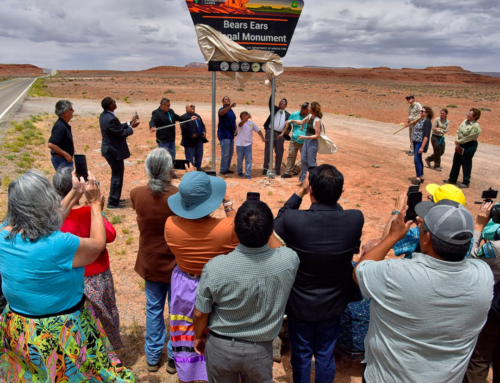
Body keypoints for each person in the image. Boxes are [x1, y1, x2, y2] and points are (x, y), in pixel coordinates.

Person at [0, 170, 135, 382]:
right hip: (60, 330)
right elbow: (98, 245)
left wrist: (74, 192)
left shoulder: (3, 234)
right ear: (45, 201)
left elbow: (47, 221)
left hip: (17, 326)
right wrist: (95, 205)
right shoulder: (58, 244)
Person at [354, 196, 494, 383]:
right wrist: (477, 227)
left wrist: (393, 236)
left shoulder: (397, 274)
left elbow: (359, 272)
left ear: (426, 239)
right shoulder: (483, 276)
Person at [274, 164, 364, 383]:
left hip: (299, 304)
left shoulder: (293, 220)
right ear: (341, 193)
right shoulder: (355, 219)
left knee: (302, 354)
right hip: (334, 303)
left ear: (311, 190)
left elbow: (278, 221)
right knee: (325, 354)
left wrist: (300, 191)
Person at [193, 200, 300, 383]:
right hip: (260, 350)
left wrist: (197, 336)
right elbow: (279, 248)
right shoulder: (288, 261)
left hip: (221, 346)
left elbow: (199, 313)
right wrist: (264, 229)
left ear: (235, 231)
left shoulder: (215, 268)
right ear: (270, 231)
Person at [165, 169, 239, 383]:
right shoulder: (226, 229)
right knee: (216, 331)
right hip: (217, 287)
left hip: (184, 287)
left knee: (186, 333)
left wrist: (191, 192)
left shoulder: (170, 225)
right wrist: (227, 202)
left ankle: (187, 375)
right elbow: (238, 224)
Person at [53, 166, 123, 351]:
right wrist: (98, 210)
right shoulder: (88, 212)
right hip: (97, 275)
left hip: (69, 276)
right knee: (105, 314)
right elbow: (110, 235)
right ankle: (109, 351)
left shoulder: (53, 219)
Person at [130, 148, 179, 374]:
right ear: (170, 169)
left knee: (153, 309)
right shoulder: (178, 196)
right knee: (177, 310)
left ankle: (152, 357)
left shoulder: (136, 193)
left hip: (150, 262)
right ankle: (174, 357)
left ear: (148, 169)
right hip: (176, 264)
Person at [463, 202, 500, 383]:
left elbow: (471, 259)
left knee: (481, 355)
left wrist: (478, 227)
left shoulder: (495, 248)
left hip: (496, 310)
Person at [386, 183, 467, 259]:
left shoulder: (419, 234)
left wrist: (396, 211)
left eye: (431, 200)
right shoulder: (466, 238)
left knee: (375, 243)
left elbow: (386, 240)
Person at [100, 97, 139, 209]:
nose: (115, 103)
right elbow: (121, 133)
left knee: (116, 174)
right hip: (113, 151)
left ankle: (115, 198)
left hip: (109, 149)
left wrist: (129, 123)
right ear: (110, 106)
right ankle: (112, 202)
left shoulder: (105, 115)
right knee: (117, 175)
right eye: (113, 102)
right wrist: (132, 127)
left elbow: (116, 128)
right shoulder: (110, 118)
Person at [444, 108, 482, 189]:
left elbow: (470, 137)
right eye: (468, 112)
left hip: (469, 146)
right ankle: (452, 179)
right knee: (456, 162)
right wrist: (457, 140)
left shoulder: (476, 126)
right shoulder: (464, 121)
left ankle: (466, 182)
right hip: (460, 144)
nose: (468, 114)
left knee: (466, 164)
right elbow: (458, 130)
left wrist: (459, 142)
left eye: (470, 114)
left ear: (475, 117)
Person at [288, 102, 323, 182]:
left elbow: (317, 135)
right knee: (303, 160)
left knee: (311, 162)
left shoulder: (317, 120)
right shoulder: (309, 116)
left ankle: (314, 180)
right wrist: (291, 120)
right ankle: (304, 180)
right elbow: (301, 122)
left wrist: (305, 137)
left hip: (313, 141)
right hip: (307, 141)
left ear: (313, 109)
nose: (308, 108)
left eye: (310, 107)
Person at [262, 95, 290, 176]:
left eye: (283, 102)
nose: (281, 103)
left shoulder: (288, 115)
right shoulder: (274, 109)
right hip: (270, 132)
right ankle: (265, 168)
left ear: (286, 105)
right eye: (280, 101)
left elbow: (289, 126)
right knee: (268, 151)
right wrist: (273, 94)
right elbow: (270, 102)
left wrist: (287, 132)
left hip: (280, 135)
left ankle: (277, 169)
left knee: (279, 152)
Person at [281, 102, 309, 178]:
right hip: (294, 140)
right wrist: (284, 132)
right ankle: (288, 172)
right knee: (291, 156)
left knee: (304, 158)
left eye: (304, 109)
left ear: (308, 110)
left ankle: (305, 174)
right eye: (301, 108)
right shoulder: (294, 114)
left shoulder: (310, 117)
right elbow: (288, 124)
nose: (302, 110)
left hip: (304, 142)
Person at [235, 111, 266, 179]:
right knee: (240, 159)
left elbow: (258, 130)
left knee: (248, 160)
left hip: (248, 144)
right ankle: (239, 171)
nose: (245, 115)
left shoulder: (251, 123)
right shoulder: (239, 122)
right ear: (241, 117)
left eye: (246, 114)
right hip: (240, 144)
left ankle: (248, 173)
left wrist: (262, 138)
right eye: (243, 115)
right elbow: (241, 124)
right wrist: (246, 118)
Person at [48, 100, 75, 170]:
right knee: (66, 180)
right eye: (71, 109)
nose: (73, 111)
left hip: (63, 160)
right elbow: (51, 144)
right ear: (65, 113)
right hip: (62, 161)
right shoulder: (60, 127)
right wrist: (66, 154)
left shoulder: (63, 124)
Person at [411, 105, 433, 185]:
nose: (420, 112)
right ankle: (421, 176)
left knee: (416, 160)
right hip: (416, 141)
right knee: (419, 159)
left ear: (426, 113)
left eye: (422, 111)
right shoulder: (421, 119)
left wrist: (422, 147)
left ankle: (418, 178)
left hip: (420, 142)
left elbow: (426, 135)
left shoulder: (427, 121)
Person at [181, 104, 206, 171]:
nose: (193, 107)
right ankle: (190, 170)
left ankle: (197, 168)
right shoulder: (184, 117)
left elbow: (202, 125)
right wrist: (191, 134)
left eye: (194, 106)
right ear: (186, 109)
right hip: (189, 141)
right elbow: (183, 128)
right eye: (191, 106)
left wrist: (204, 132)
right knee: (190, 156)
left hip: (199, 140)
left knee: (199, 155)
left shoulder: (197, 116)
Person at [218, 96, 237, 175]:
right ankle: (223, 169)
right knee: (225, 153)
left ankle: (227, 168)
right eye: (226, 99)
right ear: (222, 102)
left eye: (229, 99)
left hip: (231, 135)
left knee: (230, 153)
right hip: (224, 134)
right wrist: (230, 106)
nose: (228, 100)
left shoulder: (231, 111)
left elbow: (234, 120)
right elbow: (222, 113)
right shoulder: (222, 110)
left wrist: (236, 129)